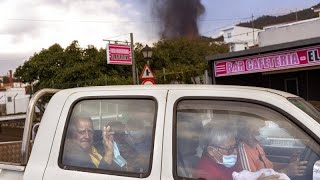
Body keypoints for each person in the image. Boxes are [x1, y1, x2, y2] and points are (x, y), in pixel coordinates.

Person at [195, 122, 281, 180]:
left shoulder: (221, 164)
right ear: (211, 151)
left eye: (235, 146)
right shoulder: (206, 174)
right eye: (229, 148)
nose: (235, 152)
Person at [237, 118, 308, 177]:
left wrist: (289, 165)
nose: (262, 128)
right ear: (245, 131)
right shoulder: (243, 152)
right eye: (258, 126)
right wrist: (286, 171)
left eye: (262, 127)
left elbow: (270, 166)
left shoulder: (257, 146)